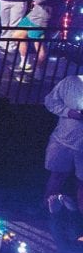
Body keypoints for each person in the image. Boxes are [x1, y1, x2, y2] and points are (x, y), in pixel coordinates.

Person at [12, 0, 74, 74]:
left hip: (44, 17)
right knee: (18, 35)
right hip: (34, 14)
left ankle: (38, 72)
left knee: (40, 46)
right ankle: (25, 63)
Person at [43, 74, 83, 211]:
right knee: (57, 176)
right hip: (63, 140)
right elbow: (50, 101)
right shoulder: (71, 82)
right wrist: (69, 112)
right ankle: (48, 210)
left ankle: (80, 218)